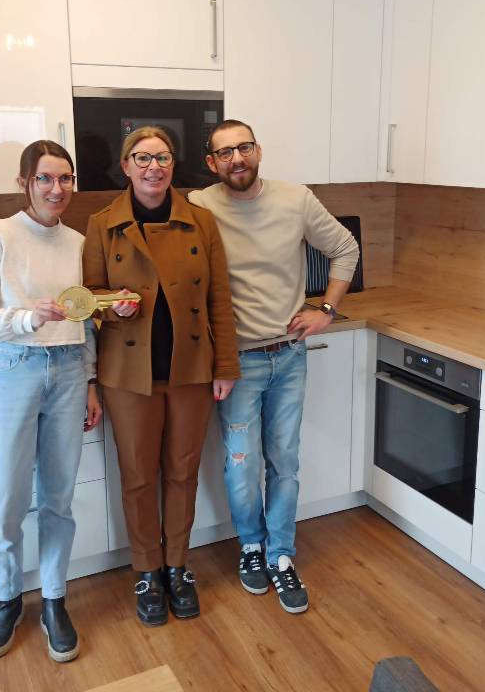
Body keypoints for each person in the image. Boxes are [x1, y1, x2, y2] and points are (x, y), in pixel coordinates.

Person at [189, 119, 359, 614]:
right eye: (225, 152)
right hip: (235, 362)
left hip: (288, 354)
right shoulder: (200, 207)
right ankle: (251, 546)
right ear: (212, 163)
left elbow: (344, 247)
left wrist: (326, 310)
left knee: (284, 460)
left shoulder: (296, 199)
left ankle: (281, 555)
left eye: (244, 148)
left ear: (258, 150)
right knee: (241, 464)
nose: (236, 158)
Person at [82, 126, 239, 626]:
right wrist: (112, 308)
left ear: (174, 164)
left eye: (163, 157)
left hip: (190, 367)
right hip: (129, 373)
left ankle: (177, 566)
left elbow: (219, 298)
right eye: (143, 158)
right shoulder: (102, 225)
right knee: (137, 477)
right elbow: (89, 297)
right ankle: (147, 571)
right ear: (126, 166)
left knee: (182, 472)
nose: (154, 167)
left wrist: (225, 365)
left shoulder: (201, 222)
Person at [0, 139, 102, 662]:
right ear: (25, 182)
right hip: (14, 369)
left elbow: (86, 318)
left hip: (68, 372)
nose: (56, 188)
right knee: (6, 497)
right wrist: (26, 318)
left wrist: (90, 381)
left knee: (58, 497)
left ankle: (54, 600)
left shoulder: (78, 243)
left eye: (65, 178)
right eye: (45, 178)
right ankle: (6, 600)